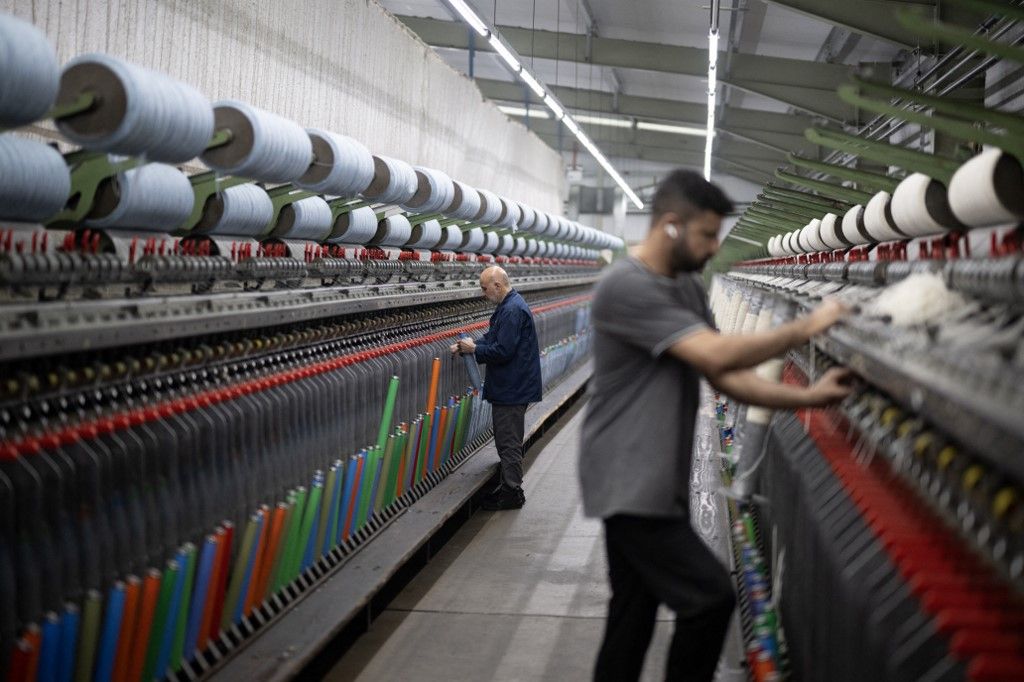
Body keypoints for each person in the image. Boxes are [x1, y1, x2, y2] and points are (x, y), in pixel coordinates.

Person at [579, 169, 852, 682]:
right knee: (709, 598)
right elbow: (716, 350)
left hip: (655, 480)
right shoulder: (625, 286)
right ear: (671, 226)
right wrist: (806, 325)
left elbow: (724, 374)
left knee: (631, 617)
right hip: (627, 480)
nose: (713, 248)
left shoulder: (684, 287)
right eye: (707, 235)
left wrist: (810, 395)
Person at [451, 265, 542, 511]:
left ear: (498, 286)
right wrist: (465, 346)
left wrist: (475, 350)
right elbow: (493, 339)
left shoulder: (512, 310)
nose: (483, 293)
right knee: (505, 440)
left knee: (508, 442)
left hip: (513, 388)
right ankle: (509, 488)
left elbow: (503, 350)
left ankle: (512, 493)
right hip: (510, 386)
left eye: (484, 288)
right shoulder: (508, 306)